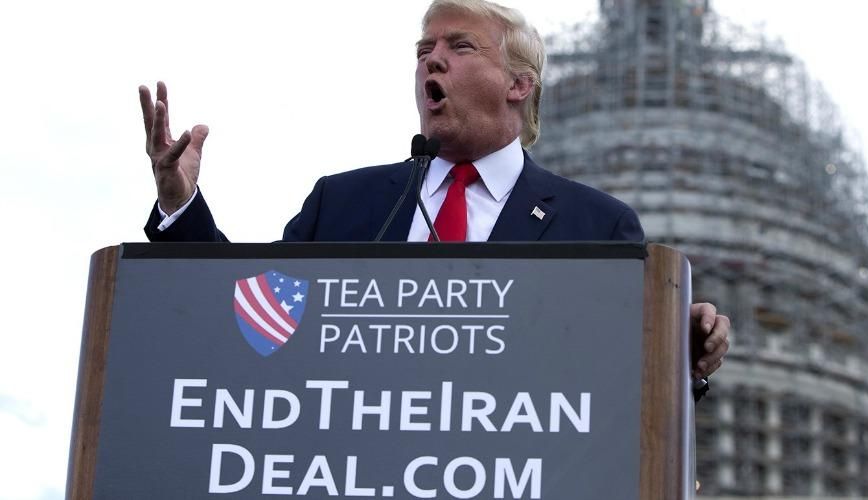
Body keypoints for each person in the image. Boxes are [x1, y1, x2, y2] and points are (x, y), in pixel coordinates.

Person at [138, 0, 730, 380]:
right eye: (424, 51)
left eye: (459, 47)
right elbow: (252, 320)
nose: (432, 61)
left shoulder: (596, 225)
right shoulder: (344, 204)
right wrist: (179, 203)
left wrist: (680, 356)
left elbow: (620, 387)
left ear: (519, 84)